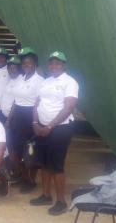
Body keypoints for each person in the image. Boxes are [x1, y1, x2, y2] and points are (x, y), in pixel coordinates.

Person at [29, 51, 78, 215]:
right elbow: (36, 104)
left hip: (60, 128)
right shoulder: (45, 81)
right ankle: (45, 195)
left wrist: (49, 126)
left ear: (64, 65)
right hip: (41, 127)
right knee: (43, 163)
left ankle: (61, 202)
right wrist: (35, 123)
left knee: (56, 166)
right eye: (52, 63)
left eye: (58, 63)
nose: (54, 66)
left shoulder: (70, 82)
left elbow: (69, 107)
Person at [7, 47, 44, 193]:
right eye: (24, 63)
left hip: (30, 117)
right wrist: (9, 119)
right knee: (15, 152)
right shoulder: (20, 79)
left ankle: (31, 181)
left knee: (30, 153)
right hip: (17, 118)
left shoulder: (40, 81)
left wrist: (35, 122)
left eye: (29, 63)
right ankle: (23, 177)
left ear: (35, 64)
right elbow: (15, 102)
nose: (26, 65)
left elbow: (39, 103)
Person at [1, 55, 22, 119]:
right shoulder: (11, 80)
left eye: (14, 68)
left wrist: (8, 120)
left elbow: (16, 102)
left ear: (19, 68)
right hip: (5, 116)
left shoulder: (21, 81)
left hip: (13, 118)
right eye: (9, 68)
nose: (11, 70)